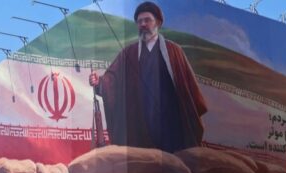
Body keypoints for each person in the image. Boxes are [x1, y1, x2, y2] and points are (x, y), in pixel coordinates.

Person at [89, 1, 207, 153]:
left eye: (147, 20)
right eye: (139, 21)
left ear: (158, 22)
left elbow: (188, 88)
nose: (143, 24)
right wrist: (99, 82)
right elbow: (113, 79)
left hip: (171, 122)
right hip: (140, 120)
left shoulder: (174, 51)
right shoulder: (129, 53)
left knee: (175, 166)